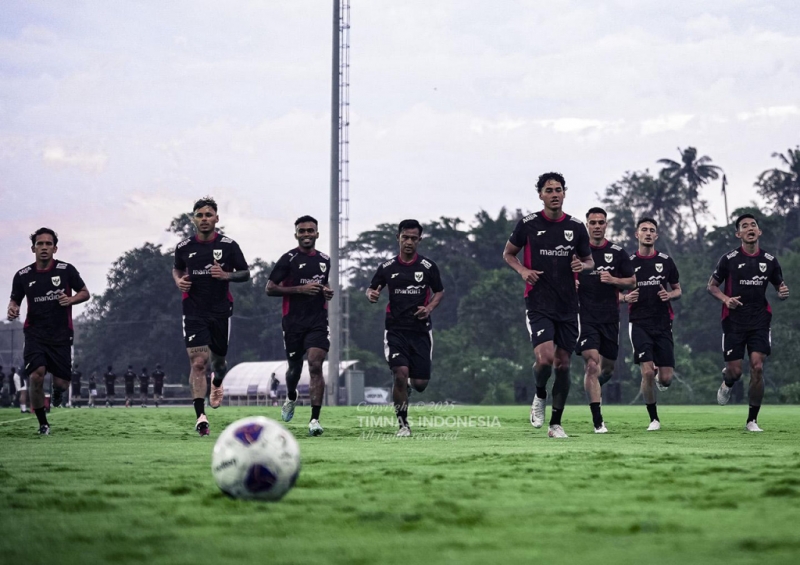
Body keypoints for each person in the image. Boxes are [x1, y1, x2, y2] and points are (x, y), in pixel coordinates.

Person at [502, 172, 593, 438]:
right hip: (538, 302)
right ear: (541, 195)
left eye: (558, 189)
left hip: (568, 305)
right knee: (544, 361)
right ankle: (540, 394)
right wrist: (522, 270)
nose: (554, 194)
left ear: (564, 193)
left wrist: (582, 266)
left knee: (563, 365)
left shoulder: (576, 227)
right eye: (549, 190)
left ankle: (555, 424)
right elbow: (508, 253)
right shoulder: (528, 224)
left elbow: (589, 261)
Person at [173, 196, 250, 436]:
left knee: (218, 363)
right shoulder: (184, 247)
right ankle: (201, 416)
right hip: (193, 310)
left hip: (220, 311)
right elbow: (177, 268)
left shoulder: (229, 245)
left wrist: (226, 275)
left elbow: (245, 273)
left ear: (217, 218)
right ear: (193, 219)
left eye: (208, 215)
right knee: (198, 362)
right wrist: (178, 280)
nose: (204, 219)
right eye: (200, 215)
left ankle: (217, 382)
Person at [708, 213, 789, 431]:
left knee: (757, 367)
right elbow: (712, 286)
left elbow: (780, 287)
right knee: (735, 372)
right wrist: (726, 299)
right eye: (744, 226)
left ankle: (752, 420)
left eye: (753, 225)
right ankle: (727, 380)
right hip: (733, 321)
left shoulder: (770, 261)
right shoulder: (728, 259)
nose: (750, 228)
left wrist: (782, 292)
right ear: (738, 234)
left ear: (759, 231)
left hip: (760, 320)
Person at [7, 227, 89, 434]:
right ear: (33, 248)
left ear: (55, 248)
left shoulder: (66, 270)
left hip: (61, 334)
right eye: (40, 244)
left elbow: (84, 292)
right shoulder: (23, 275)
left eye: (48, 244)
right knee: (36, 375)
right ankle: (43, 423)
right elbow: (15, 299)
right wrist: (13, 308)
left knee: (62, 383)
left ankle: (57, 391)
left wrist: (71, 299)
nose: (44, 247)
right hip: (34, 334)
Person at [367, 219, 445, 437]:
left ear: (419, 240)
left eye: (413, 238)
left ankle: (410, 384)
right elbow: (372, 288)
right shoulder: (387, 267)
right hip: (395, 330)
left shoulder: (428, 267)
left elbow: (439, 291)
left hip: (420, 331)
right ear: (398, 238)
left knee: (420, 384)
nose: (409, 242)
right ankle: (403, 425)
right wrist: (371, 294)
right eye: (405, 237)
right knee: (399, 373)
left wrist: (429, 308)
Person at [266, 215, 333, 437]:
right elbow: (270, 288)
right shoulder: (288, 259)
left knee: (315, 364)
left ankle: (314, 419)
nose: (306, 234)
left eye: (310, 230)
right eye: (302, 231)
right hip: (293, 322)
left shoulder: (325, 259)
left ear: (317, 234)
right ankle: (291, 395)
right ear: (296, 234)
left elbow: (323, 282)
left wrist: (326, 291)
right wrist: (299, 290)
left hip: (318, 321)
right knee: (294, 368)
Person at [576, 207, 635, 433]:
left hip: (610, 317)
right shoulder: (577, 252)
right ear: (587, 225)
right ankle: (598, 421)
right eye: (593, 223)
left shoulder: (618, 252)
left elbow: (632, 281)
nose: (597, 226)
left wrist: (614, 280)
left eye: (601, 222)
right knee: (592, 364)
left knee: (607, 369)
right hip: (585, 317)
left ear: (606, 225)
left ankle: (593, 388)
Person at [622, 218, 681, 431]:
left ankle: (658, 378)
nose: (648, 233)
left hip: (663, 323)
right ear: (637, 234)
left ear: (656, 235)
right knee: (647, 372)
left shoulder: (666, 261)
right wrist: (625, 298)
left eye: (652, 230)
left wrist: (670, 295)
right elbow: (612, 293)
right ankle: (653, 419)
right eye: (644, 230)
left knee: (666, 380)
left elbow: (678, 289)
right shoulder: (627, 263)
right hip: (639, 323)